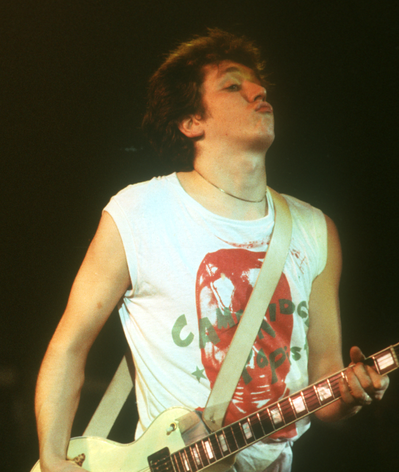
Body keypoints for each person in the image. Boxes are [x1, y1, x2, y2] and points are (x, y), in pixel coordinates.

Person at [34, 29, 389, 472]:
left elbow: (325, 390)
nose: (259, 91)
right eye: (233, 86)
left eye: (259, 84)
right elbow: (68, 346)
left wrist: (354, 395)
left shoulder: (315, 230)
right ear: (191, 122)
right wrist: (52, 457)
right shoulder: (140, 213)